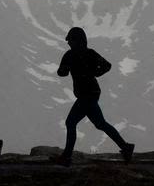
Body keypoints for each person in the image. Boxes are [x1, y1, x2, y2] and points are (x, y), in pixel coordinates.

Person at [53, 27, 135, 167]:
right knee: (100, 123)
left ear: (77, 40)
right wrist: (94, 72)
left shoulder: (72, 55)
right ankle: (126, 147)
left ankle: (66, 157)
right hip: (92, 93)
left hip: (87, 95)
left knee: (71, 123)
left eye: (70, 40)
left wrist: (91, 72)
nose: (68, 43)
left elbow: (63, 72)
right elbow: (106, 66)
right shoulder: (85, 54)